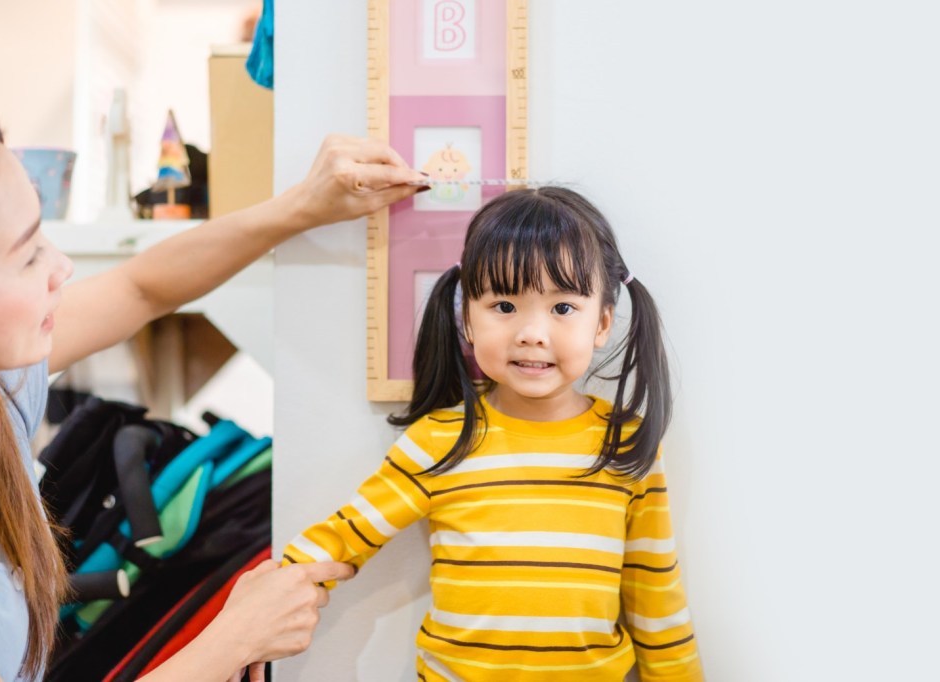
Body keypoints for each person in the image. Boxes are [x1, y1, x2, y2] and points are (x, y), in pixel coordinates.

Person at [0, 94, 425, 681]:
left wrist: (302, 207)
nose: (61, 267)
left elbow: (142, 288)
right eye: (27, 255)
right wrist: (232, 638)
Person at [283, 187, 703, 680]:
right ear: (467, 319)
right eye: (504, 306)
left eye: (562, 308)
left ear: (603, 322)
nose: (531, 332)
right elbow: (343, 537)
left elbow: (656, 598)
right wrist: (266, 599)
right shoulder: (438, 442)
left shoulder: (627, 446)